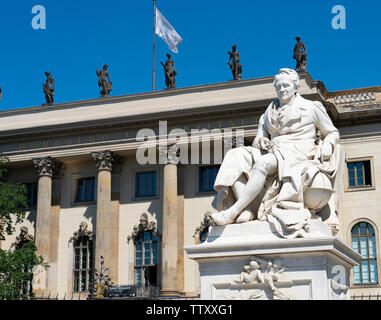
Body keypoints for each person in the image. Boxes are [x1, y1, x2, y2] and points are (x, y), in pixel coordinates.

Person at [211, 68, 342, 238]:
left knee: (263, 164)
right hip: (273, 150)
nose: (282, 89)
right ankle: (249, 209)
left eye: (286, 85)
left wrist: (328, 144)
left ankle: (234, 211)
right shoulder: (269, 111)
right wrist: (261, 140)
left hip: (298, 152)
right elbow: (259, 137)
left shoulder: (311, 107)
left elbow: (332, 132)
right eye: (278, 86)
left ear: (296, 87)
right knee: (235, 156)